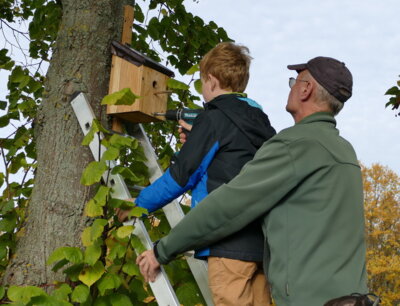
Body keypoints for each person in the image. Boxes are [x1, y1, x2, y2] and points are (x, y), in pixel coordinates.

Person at [136, 56, 369, 306]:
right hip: (351, 298)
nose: (291, 87)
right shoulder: (343, 151)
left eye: (294, 82)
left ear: (306, 89)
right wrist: (206, 140)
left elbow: (228, 204)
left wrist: (163, 249)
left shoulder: (295, 145)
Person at [118, 42, 276, 305]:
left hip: (227, 245)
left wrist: (138, 205)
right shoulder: (261, 121)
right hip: (263, 246)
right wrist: (198, 142)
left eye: (203, 82)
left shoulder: (213, 118)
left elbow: (182, 175)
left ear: (212, 81)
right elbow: (233, 161)